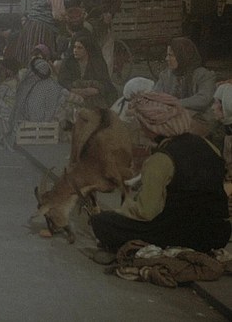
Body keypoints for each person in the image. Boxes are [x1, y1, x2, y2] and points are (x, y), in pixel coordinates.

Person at [90, 92, 231, 253]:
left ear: (152, 127)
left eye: (141, 123)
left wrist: (120, 211)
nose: (140, 128)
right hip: (217, 234)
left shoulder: (161, 159)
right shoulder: (207, 145)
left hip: (180, 234)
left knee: (102, 221)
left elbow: (146, 211)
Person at [68, 0, 121, 74]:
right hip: (89, 22)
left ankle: (106, 80)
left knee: (106, 55)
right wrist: (64, 5)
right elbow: (76, 1)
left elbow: (117, 2)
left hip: (104, 24)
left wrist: (110, 14)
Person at [152, 37, 217, 134]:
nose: (167, 59)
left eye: (171, 55)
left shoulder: (203, 75)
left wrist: (175, 103)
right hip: (171, 116)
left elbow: (203, 99)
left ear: (183, 56)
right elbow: (156, 95)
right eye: (167, 55)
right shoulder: (166, 75)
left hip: (199, 119)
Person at [6, 57, 70, 137]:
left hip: (24, 129)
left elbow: (15, 112)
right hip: (46, 130)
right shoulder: (53, 86)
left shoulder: (24, 85)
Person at [15, 0, 67, 65]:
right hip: (44, 28)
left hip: (30, 27)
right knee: (43, 55)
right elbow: (58, 16)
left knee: (31, 54)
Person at [57, 33, 118, 109]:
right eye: (74, 47)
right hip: (72, 93)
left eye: (80, 48)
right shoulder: (68, 62)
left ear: (87, 50)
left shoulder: (97, 63)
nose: (75, 50)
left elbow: (106, 82)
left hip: (94, 94)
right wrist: (76, 90)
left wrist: (96, 90)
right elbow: (62, 81)